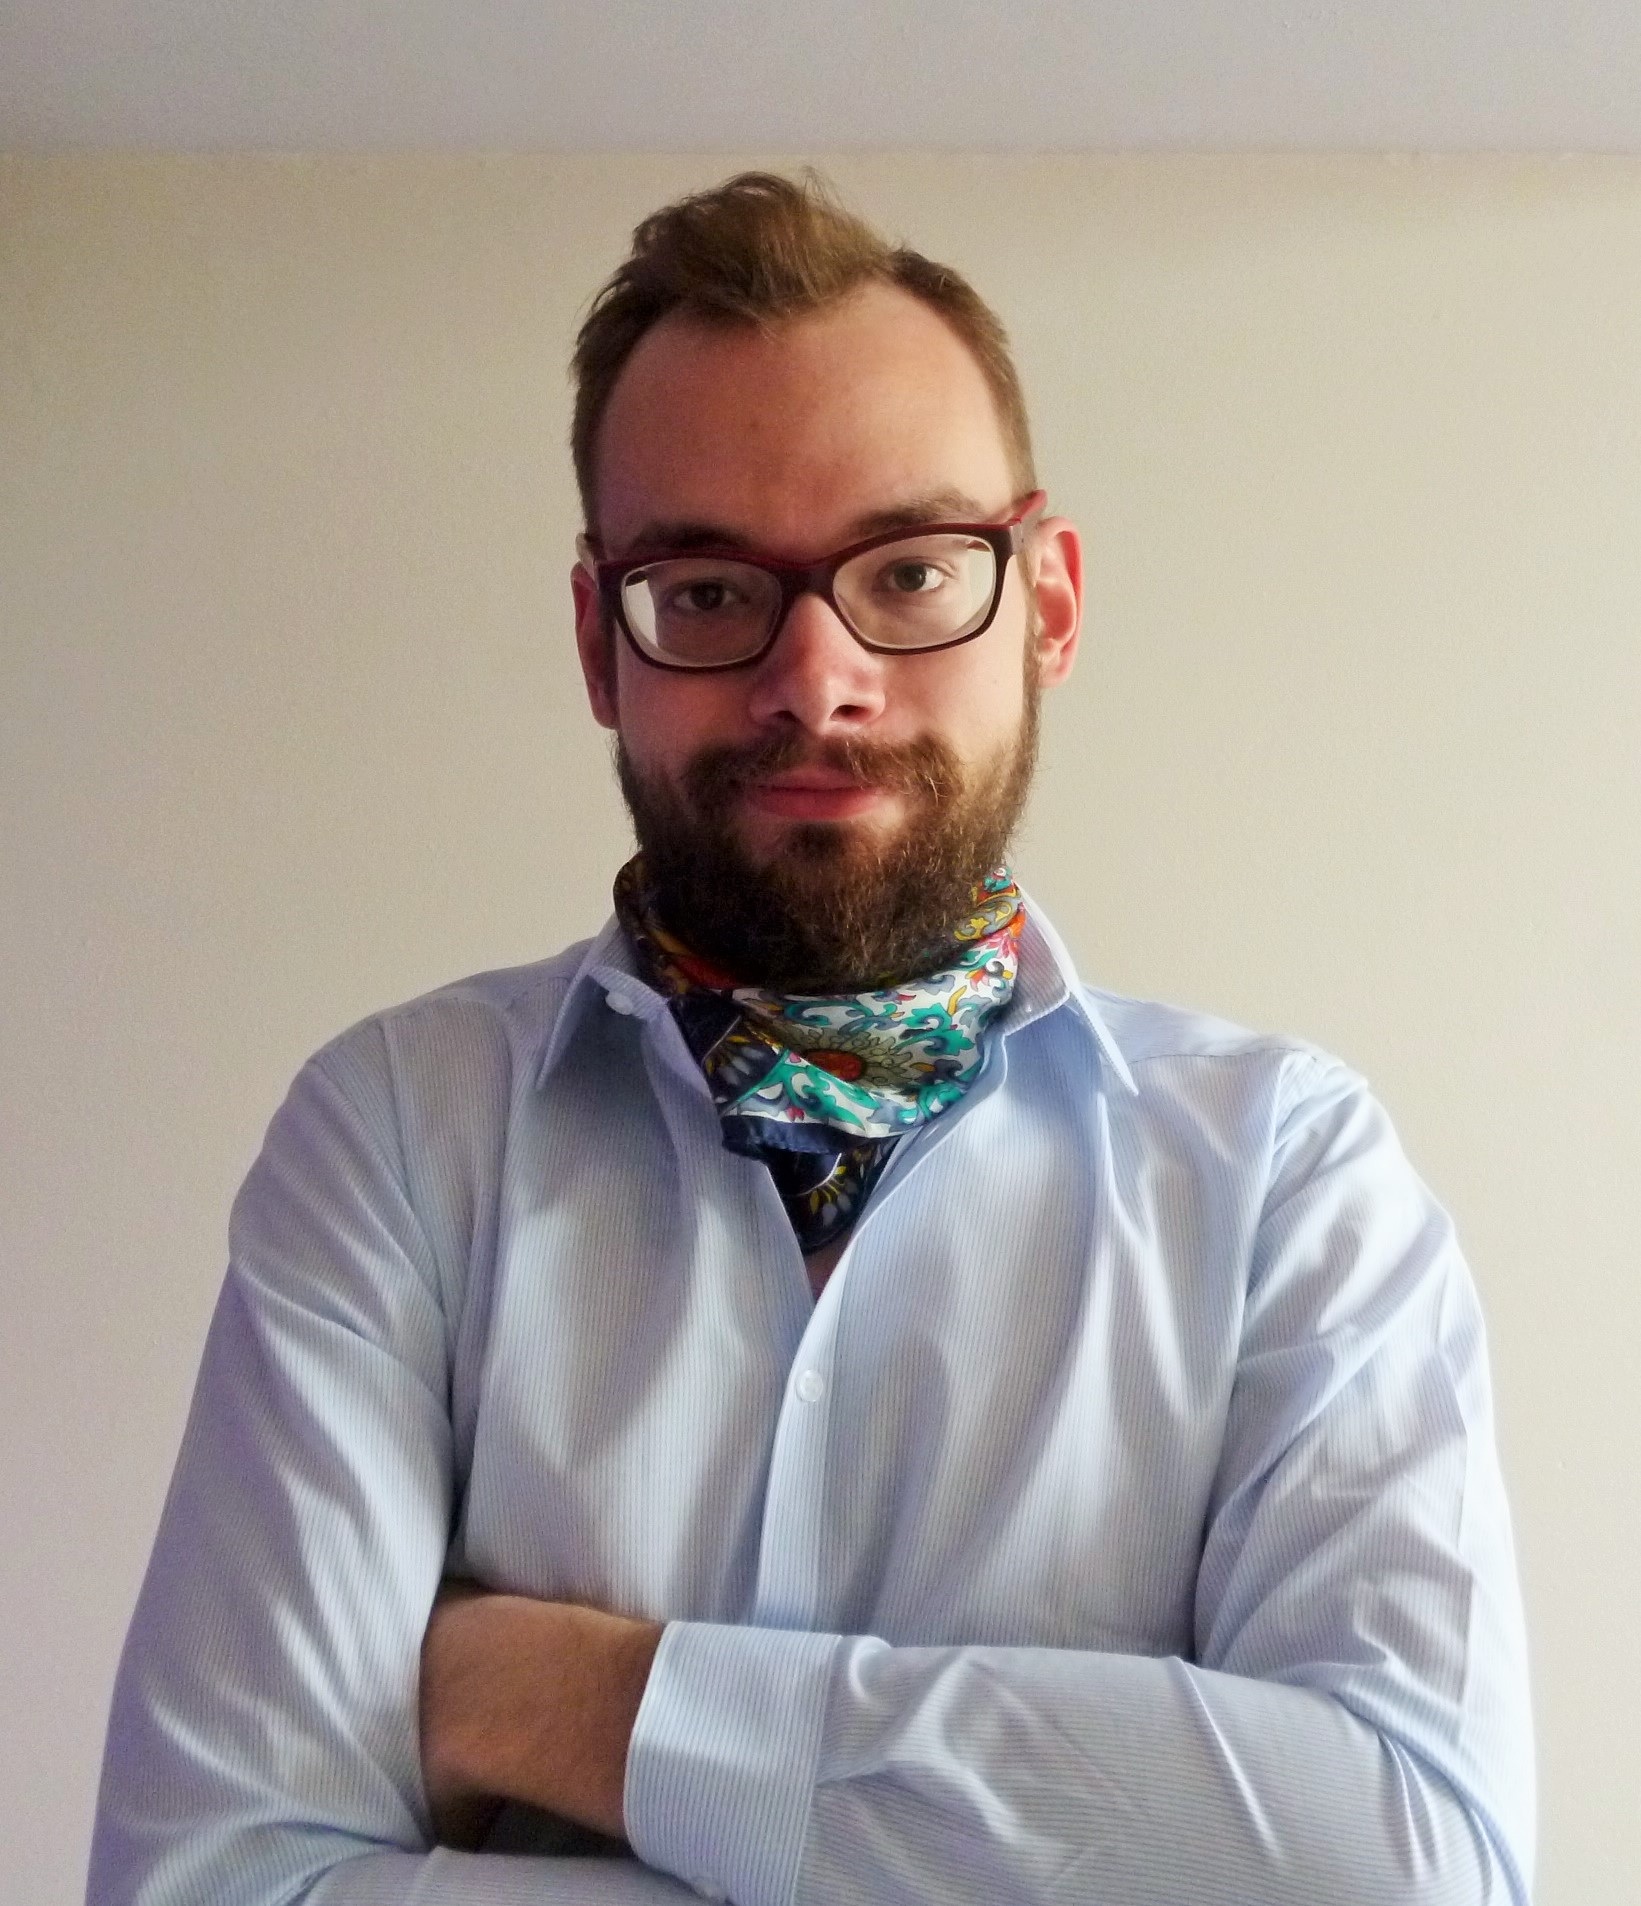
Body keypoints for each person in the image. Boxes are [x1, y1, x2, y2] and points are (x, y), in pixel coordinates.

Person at [88, 172, 1534, 1906]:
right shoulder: (402, 1134)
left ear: (1047, 603)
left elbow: (1416, 1864)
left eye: (909, 571)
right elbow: (210, 1883)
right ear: (599, 643)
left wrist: (576, 1701)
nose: (816, 679)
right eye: (707, 592)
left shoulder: (1284, 1175)